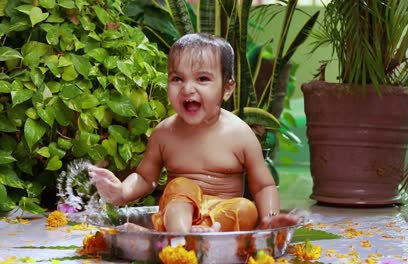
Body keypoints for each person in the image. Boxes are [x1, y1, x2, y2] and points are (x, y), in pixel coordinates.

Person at [88, 33, 298, 233]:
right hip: (177, 214)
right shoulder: (164, 133)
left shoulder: (240, 134)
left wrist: (270, 219)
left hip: (221, 218)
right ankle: (182, 234)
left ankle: (188, 236)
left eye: (203, 79)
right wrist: (121, 192)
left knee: (246, 209)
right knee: (180, 186)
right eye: (177, 78)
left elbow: (263, 186)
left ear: (227, 88)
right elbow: (144, 177)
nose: (188, 88)